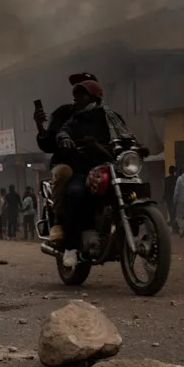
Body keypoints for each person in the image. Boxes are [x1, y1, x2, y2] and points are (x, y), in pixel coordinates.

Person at [55, 79, 125, 267]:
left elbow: (126, 135)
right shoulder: (75, 119)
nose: (76, 99)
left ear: (93, 97)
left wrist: (138, 147)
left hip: (112, 167)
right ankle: (71, 247)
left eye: (81, 95)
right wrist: (65, 138)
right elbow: (63, 131)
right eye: (75, 95)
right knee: (75, 193)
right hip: (84, 170)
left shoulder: (112, 117)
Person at [34, 72, 94, 243]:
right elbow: (50, 142)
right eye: (77, 89)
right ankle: (58, 222)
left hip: (97, 164)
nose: (79, 93)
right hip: (70, 163)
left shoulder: (105, 114)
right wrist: (40, 127)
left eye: (85, 89)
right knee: (64, 175)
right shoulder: (65, 114)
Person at [165, 165, 180, 233]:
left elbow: (166, 190)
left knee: (171, 214)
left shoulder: (167, 179)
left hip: (169, 199)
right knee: (177, 213)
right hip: (176, 199)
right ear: (174, 171)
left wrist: (164, 198)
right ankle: (177, 227)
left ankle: (174, 229)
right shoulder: (177, 179)